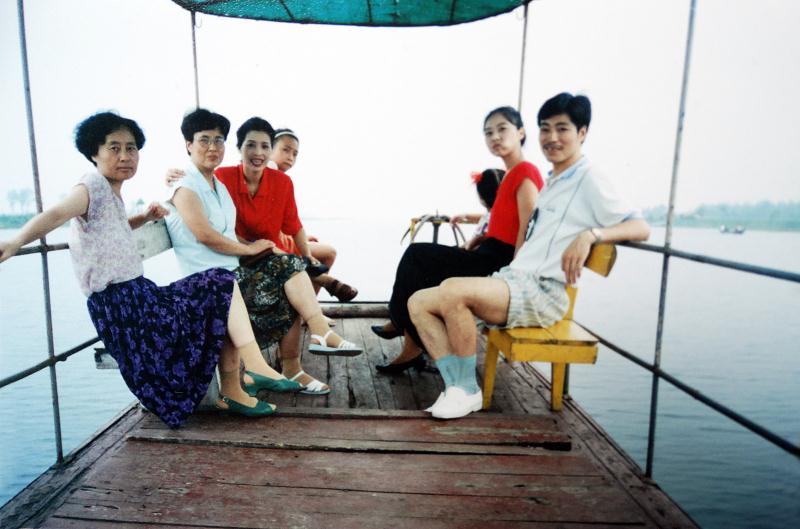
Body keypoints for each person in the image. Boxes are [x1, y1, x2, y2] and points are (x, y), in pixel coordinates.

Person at [0, 112, 282, 427]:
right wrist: (15, 242)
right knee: (219, 283)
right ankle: (251, 368)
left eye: (131, 148)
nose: (125, 156)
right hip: (122, 308)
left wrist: (144, 218)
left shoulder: (110, 191)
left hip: (138, 297)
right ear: (94, 152)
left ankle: (242, 378)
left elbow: (113, 226)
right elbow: (55, 214)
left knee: (220, 285)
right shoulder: (90, 186)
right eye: (114, 148)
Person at [407, 93, 651, 419]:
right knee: (418, 302)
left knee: (453, 290)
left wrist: (591, 235)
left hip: (543, 292)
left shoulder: (588, 177)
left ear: (582, 133)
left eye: (562, 129)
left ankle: (467, 391)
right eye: (545, 129)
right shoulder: (553, 181)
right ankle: (456, 386)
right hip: (516, 280)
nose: (552, 137)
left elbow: (640, 227)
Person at [165, 110, 362, 397]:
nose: (257, 152)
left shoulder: (219, 185)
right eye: (250, 145)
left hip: (243, 263)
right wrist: (250, 247)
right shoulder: (217, 179)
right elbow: (204, 231)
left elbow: (290, 223)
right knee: (289, 269)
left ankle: (299, 357)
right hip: (219, 277)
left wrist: (303, 253)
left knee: (291, 269)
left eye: (217, 140)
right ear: (239, 148)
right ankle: (312, 338)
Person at [373, 107, 544, 374]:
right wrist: (478, 238)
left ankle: (403, 328)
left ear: (521, 132)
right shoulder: (511, 174)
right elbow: (505, 225)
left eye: (502, 129)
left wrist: (514, 277)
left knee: (417, 255)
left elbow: (527, 230)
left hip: (498, 264)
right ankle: (409, 338)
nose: (495, 137)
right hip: (487, 252)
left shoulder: (525, 172)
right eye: (488, 132)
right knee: (421, 264)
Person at [270, 128, 357, 303]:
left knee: (327, 253)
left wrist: (299, 237)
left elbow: (288, 220)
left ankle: (308, 306)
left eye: (295, 154)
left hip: (283, 239)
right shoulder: (269, 169)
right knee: (327, 254)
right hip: (271, 243)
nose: (290, 157)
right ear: (269, 149)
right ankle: (309, 305)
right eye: (285, 150)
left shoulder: (283, 181)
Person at [450, 168, 506, 252]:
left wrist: (468, 245)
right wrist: (465, 216)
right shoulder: (497, 214)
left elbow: (479, 240)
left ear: (481, 197)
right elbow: (484, 217)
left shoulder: (497, 218)